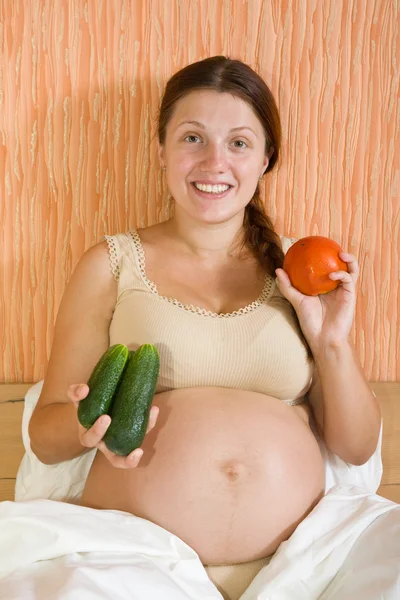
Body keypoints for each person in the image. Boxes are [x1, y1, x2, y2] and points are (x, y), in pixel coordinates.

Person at [28, 56, 381, 600]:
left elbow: (355, 450)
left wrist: (330, 342)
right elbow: (45, 440)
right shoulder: (111, 264)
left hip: (308, 559)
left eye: (239, 143)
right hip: (131, 559)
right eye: (193, 138)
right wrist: (84, 426)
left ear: (266, 159)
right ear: (162, 151)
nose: (215, 162)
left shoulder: (300, 270)